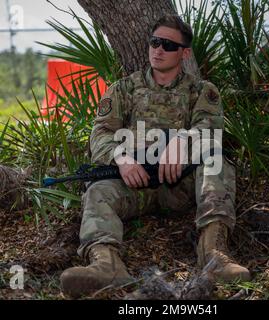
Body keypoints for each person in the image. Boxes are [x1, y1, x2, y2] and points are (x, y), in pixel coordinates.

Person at [60, 14, 251, 298]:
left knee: (216, 162)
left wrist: (182, 141)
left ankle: (213, 255)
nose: (158, 49)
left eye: (168, 45)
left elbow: (210, 130)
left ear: (184, 53)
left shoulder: (201, 90)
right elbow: (100, 133)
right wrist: (120, 158)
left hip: (182, 186)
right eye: (154, 42)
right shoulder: (125, 88)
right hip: (135, 186)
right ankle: (106, 265)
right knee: (97, 189)